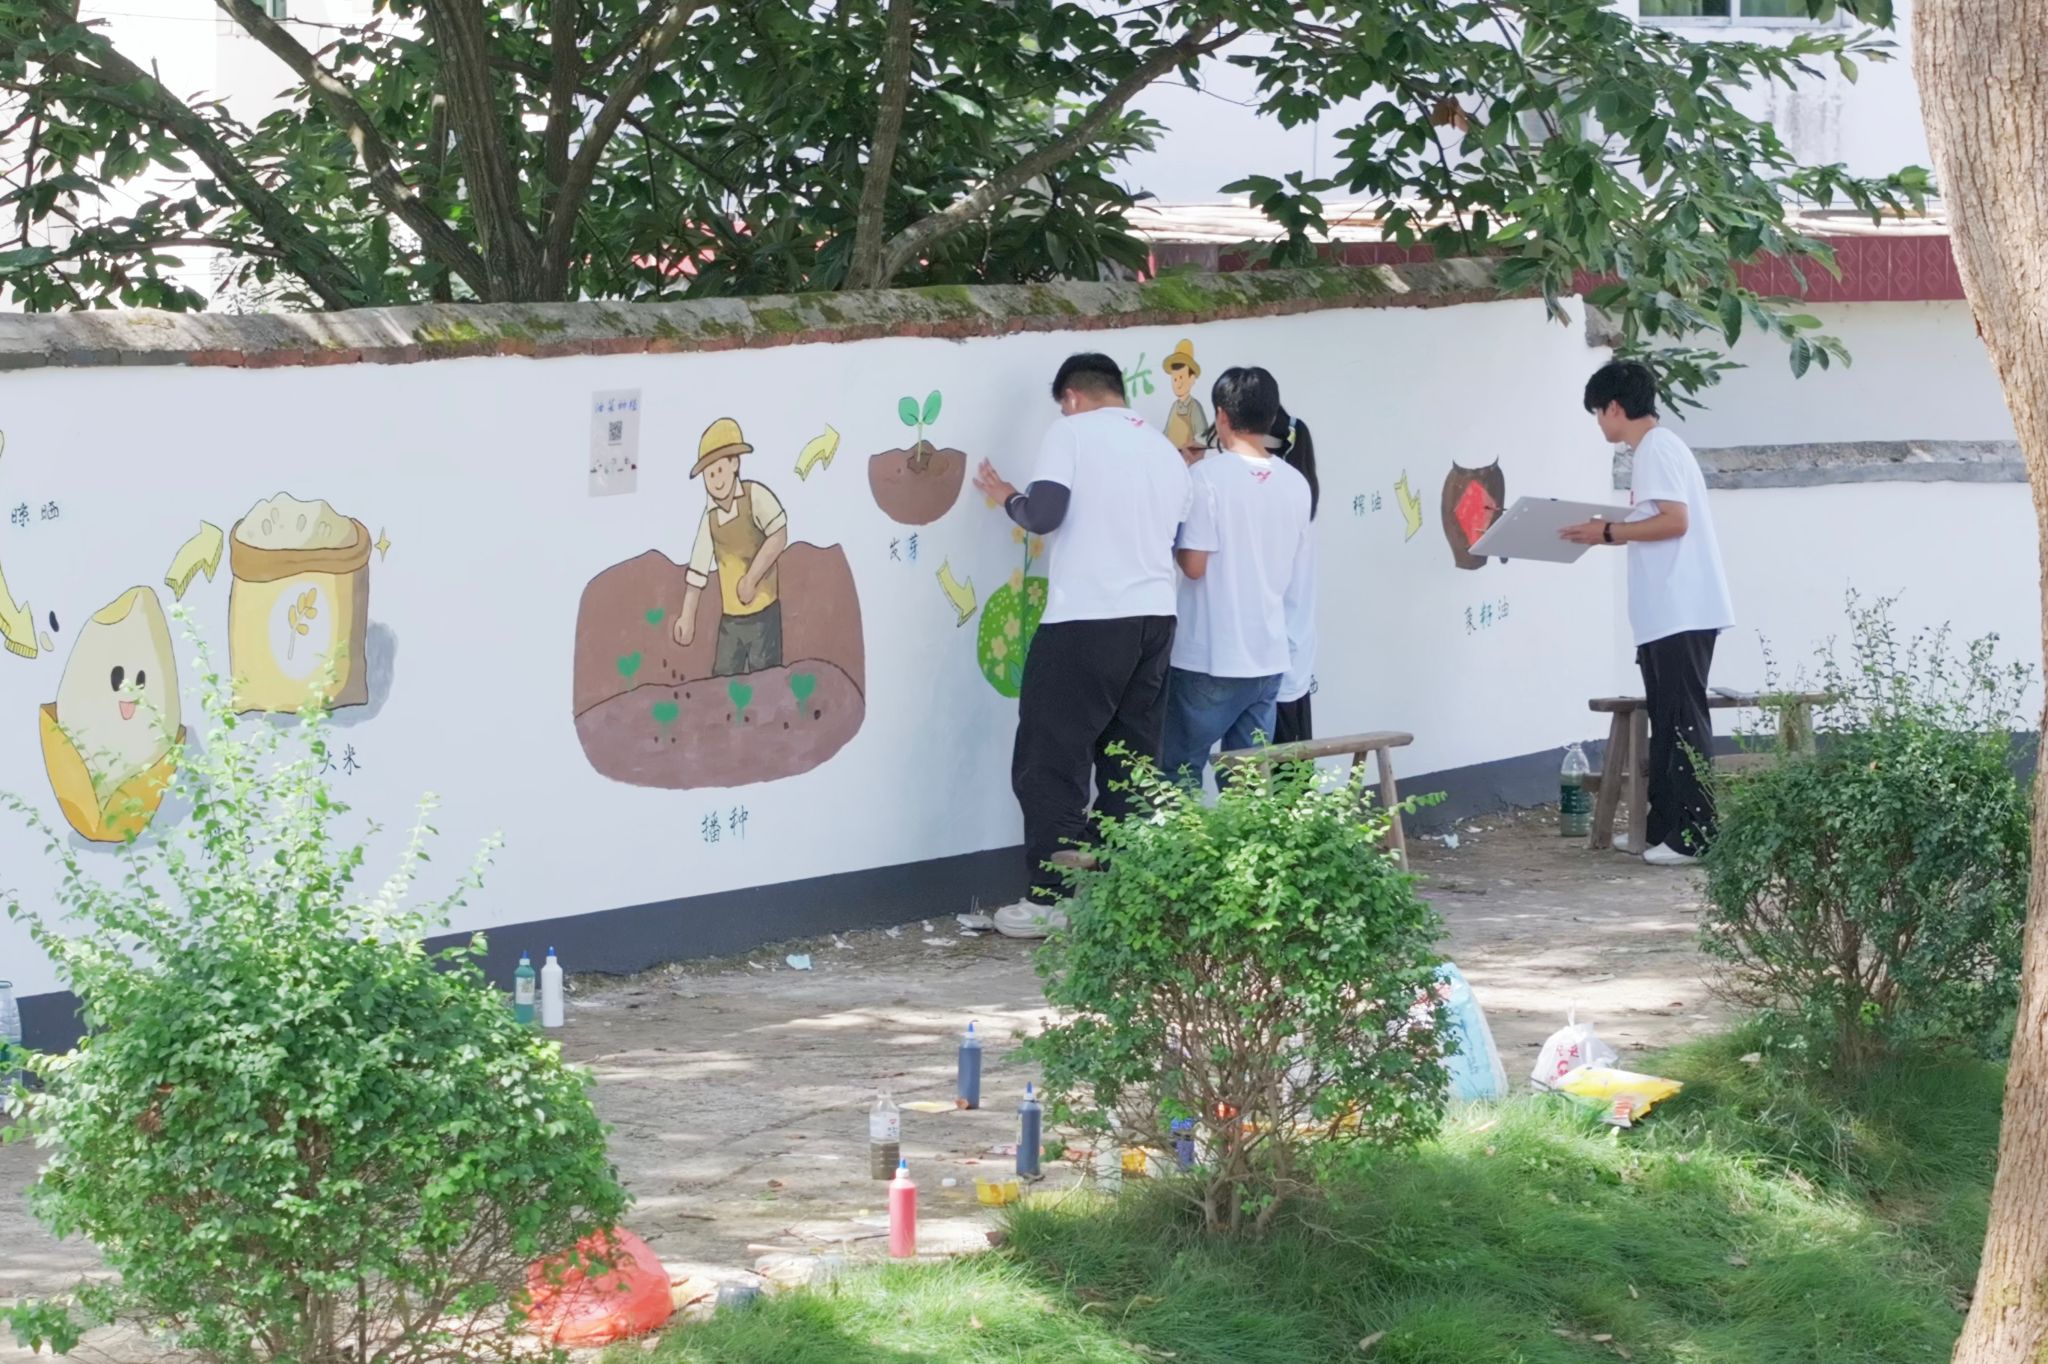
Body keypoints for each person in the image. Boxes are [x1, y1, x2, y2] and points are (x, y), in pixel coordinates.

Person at [970, 354, 1193, 939]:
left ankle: (1051, 899)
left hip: (1087, 619)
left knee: (1050, 759)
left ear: (1071, 397)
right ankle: (1113, 894)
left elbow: (1044, 515)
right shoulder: (1164, 450)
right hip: (1155, 620)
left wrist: (1008, 496)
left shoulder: (1069, 432)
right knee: (1128, 761)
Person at [1561, 360, 1734, 866]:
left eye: (1598, 412)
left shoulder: (1655, 449)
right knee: (1666, 720)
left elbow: (1675, 522)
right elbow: (1657, 520)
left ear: (1615, 407)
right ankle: (1661, 829)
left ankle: (1696, 835)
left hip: (1682, 609)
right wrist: (1611, 529)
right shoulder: (1657, 449)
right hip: (1667, 613)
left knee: (1682, 721)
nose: (1599, 423)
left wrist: (1608, 533)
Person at [1159, 367, 1314, 787]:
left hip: (1209, 655)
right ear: (1271, 416)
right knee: (1247, 786)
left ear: (1221, 415)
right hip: (1268, 657)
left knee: (1177, 775)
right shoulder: (1296, 484)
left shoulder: (1206, 478)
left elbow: (1194, 566)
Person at [676, 417, 790, 677]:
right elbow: (698, 570)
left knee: (766, 681)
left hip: (764, 615)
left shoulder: (755, 495)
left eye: (719, 470)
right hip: (731, 621)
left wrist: (751, 579)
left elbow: (779, 535)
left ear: (735, 463)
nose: (716, 480)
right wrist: (687, 616)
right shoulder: (710, 518)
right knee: (723, 681)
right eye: (709, 474)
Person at [1269, 401, 1319, 745]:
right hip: (1293, 644)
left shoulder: (1283, 495)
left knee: (1277, 755)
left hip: (1280, 648)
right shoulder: (1301, 492)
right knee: (1290, 756)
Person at [1161, 339, 1208, 461]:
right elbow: (1166, 433)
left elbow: (1202, 436)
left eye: (1181, 377)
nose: (1178, 383)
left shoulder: (1194, 406)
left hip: (1189, 461)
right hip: (1172, 459)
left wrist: (1191, 450)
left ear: (1192, 379)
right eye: (1175, 379)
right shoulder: (1174, 406)